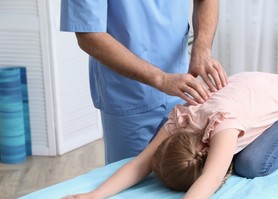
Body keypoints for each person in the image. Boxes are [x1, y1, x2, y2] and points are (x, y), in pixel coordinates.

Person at [53, 72, 278, 199]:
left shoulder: (223, 125)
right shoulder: (176, 124)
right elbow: (143, 162)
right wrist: (97, 193)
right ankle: (256, 133)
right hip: (247, 90)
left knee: (250, 165)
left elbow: (211, 178)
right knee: (232, 151)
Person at [60, 0, 227, 164]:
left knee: (180, 174)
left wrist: (202, 49)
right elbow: (89, 36)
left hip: (182, 87)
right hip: (128, 96)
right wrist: (161, 78)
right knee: (131, 182)